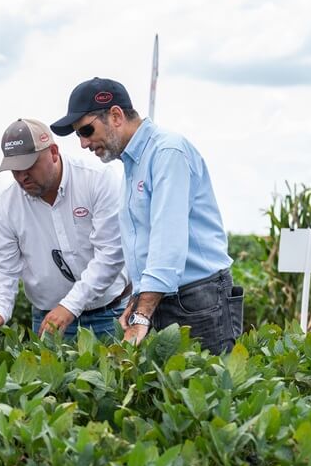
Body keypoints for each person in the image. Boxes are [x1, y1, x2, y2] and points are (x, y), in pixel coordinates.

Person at [51, 77, 243, 354]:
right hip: (164, 298)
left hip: (198, 300)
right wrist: (138, 299)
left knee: (207, 390)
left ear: (116, 115)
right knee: (171, 393)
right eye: (79, 135)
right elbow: (144, 245)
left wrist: (142, 315)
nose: (83, 143)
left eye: (86, 130)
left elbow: (168, 243)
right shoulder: (132, 164)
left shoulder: (167, 152)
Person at [0, 118, 129, 338]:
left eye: (28, 166)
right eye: (14, 170)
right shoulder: (6, 206)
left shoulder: (97, 180)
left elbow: (110, 255)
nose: (22, 176)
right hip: (49, 319)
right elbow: (2, 268)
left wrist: (70, 306)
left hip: (110, 313)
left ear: (53, 152)